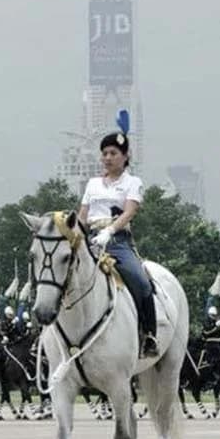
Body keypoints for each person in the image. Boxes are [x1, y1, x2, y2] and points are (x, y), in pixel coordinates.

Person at [80, 110, 158, 356]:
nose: (107, 158)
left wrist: (110, 230)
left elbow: (129, 212)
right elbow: (82, 215)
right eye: (104, 153)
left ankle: (149, 334)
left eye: (113, 153)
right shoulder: (92, 184)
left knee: (141, 282)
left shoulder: (132, 182)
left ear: (125, 157)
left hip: (117, 242)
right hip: (91, 240)